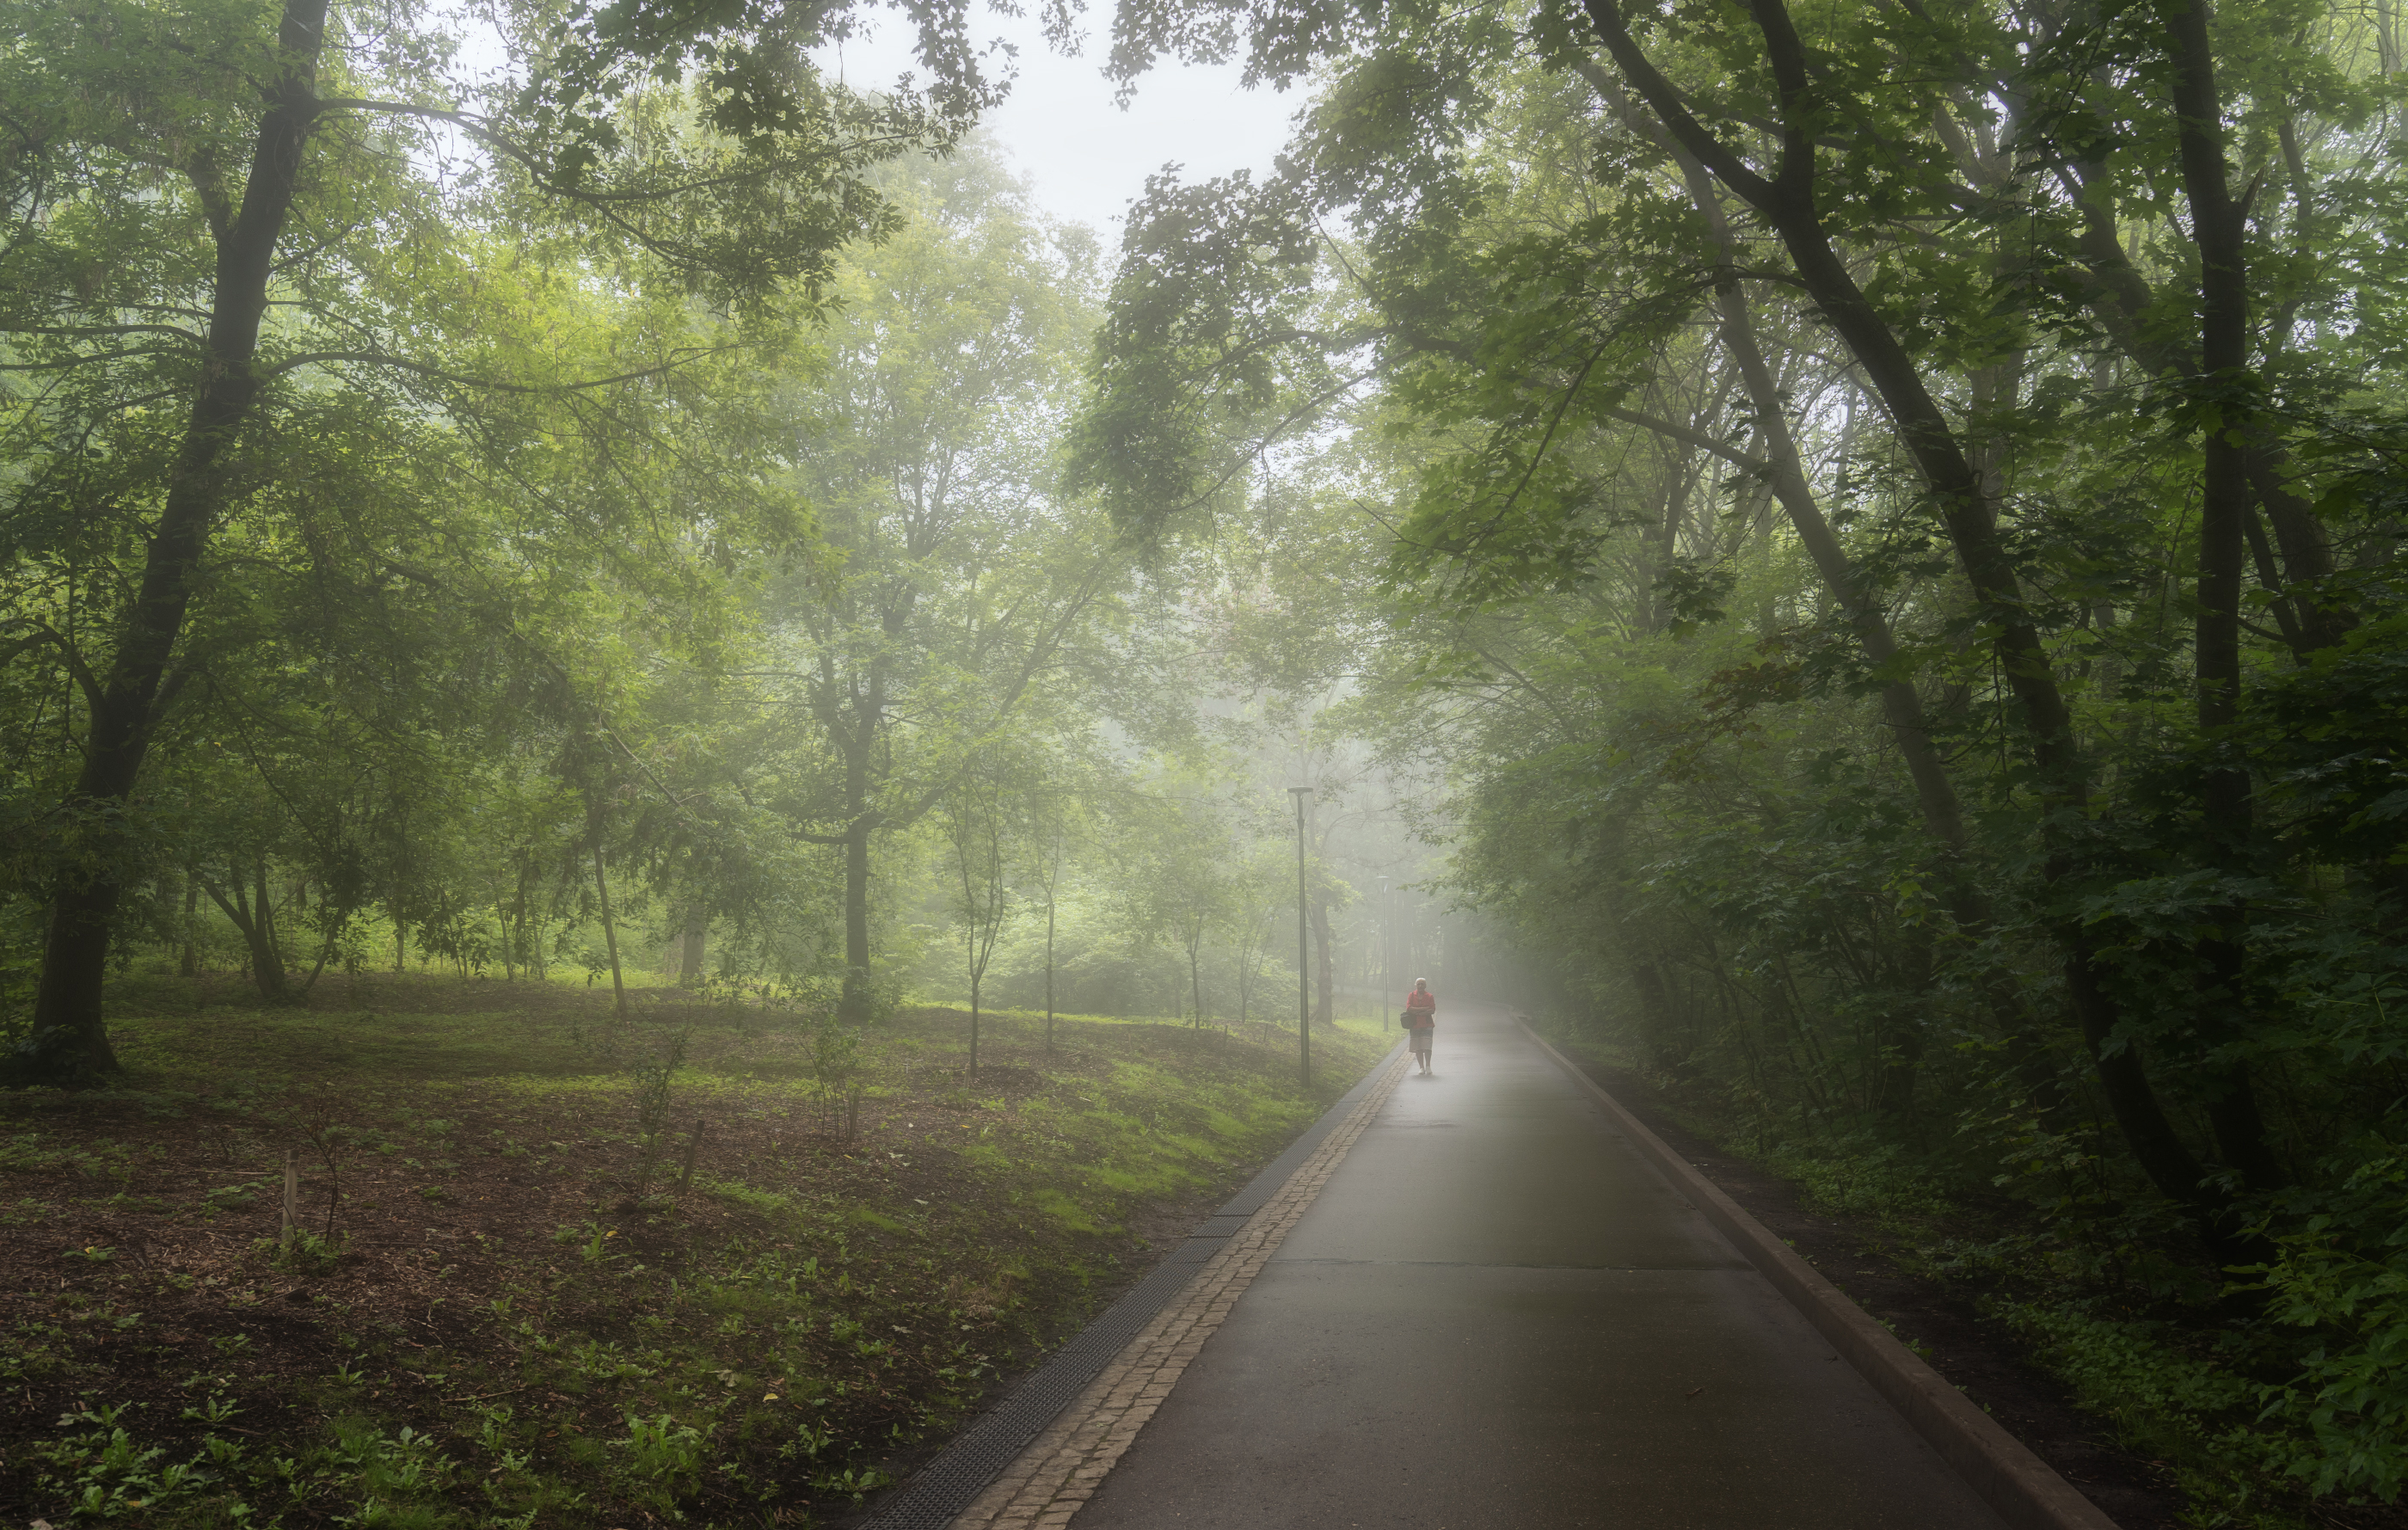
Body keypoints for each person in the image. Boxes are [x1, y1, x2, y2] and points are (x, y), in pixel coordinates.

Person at [1402, 979, 1436, 1075]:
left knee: (1427, 1046)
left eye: (1422, 984)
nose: (1420, 986)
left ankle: (1428, 1066)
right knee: (1418, 1047)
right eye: (1418, 984)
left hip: (1427, 1025)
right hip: (1415, 1025)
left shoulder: (1429, 996)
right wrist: (1425, 1009)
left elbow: (1432, 1010)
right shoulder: (1411, 995)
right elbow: (1409, 1008)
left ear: (1425, 986)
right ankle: (1421, 1067)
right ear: (1416, 985)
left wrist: (1417, 1011)